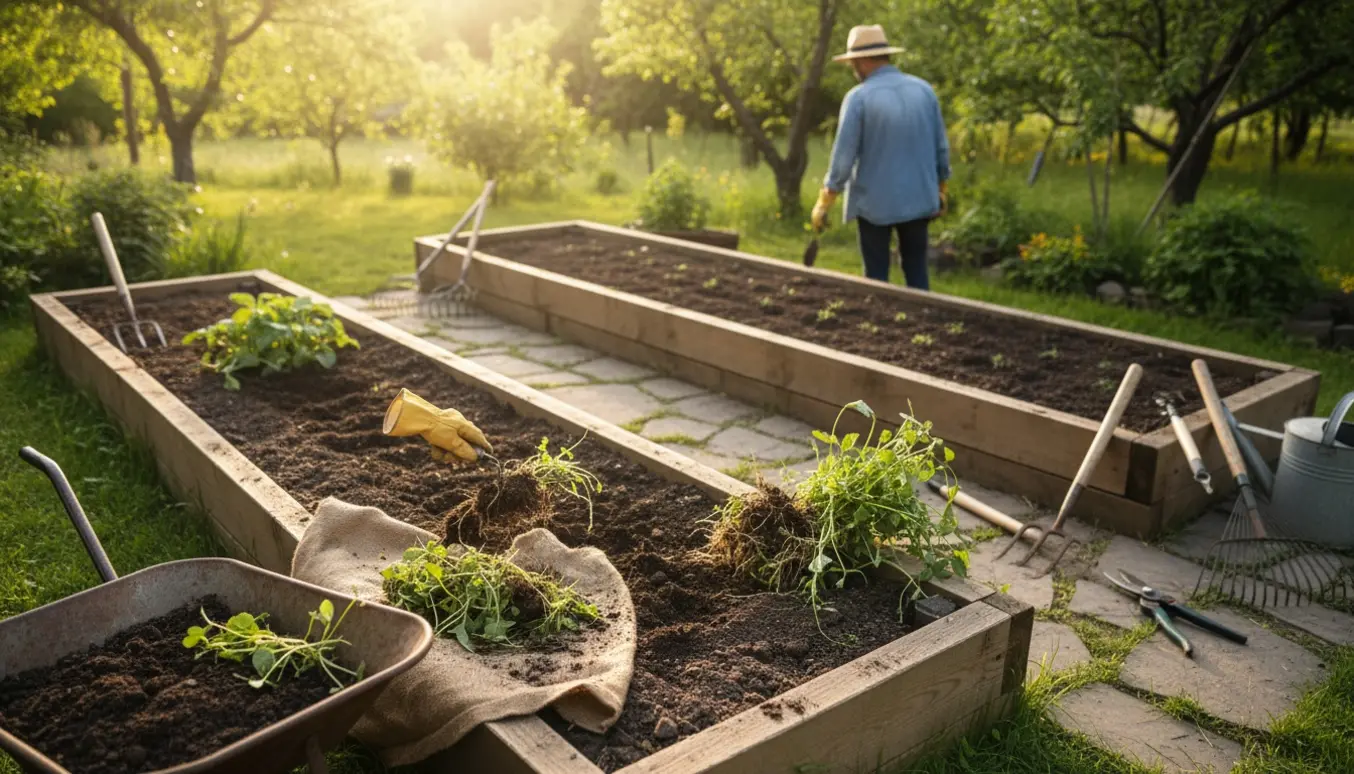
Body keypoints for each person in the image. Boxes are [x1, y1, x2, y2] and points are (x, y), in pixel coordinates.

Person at [812, 24, 950, 290]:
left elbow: (843, 157)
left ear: (862, 61)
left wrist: (825, 200)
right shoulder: (924, 91)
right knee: (917, 272)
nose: (853, 69)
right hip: (920, 199)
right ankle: (922, 324)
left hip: (875, 204)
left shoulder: (858, 98)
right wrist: (941, 187)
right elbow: (941, 147)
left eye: (853, 63)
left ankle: (880, 326)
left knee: (876, 278)